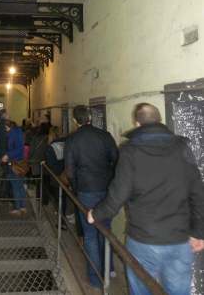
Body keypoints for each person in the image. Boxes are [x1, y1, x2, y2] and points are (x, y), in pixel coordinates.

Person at [88, 103, 204, 295]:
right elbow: (198, 193)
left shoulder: (130, 151)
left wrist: (96, 214)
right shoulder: (182, 147)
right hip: (179, 238)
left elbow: (118, 194)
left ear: (137, 123)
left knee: (141, 290)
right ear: (160, 121)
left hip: (143, 239)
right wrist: (199, 232)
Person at [65, 105, 118, 290]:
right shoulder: (105, 136)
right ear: (90, 117)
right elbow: (115, 160)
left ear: (75, 120)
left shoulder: (72, 140)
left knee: (90, 235)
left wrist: (74, 188)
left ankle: (96, 279)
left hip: (85, 191)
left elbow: (70, 170)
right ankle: (109, 269)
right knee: (106, 230)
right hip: (106, 190)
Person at [2, 121, 27, 215]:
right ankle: (23, 207)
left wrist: (7, 155)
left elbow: (17, 149)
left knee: (15, 187)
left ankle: (17, 208)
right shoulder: (19, 132)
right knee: (20, 186)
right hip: (20, 162)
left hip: (14, 163)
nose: (5, 130)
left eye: (5, 128)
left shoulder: (13, 133)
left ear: (9, 127)